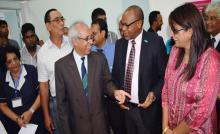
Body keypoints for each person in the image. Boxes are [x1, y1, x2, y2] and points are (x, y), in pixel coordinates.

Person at [55, 21, 130, 134]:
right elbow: (62, 106)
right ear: (75, 41)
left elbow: (107, 83)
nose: (91, 41)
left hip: (100, 125)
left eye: (91, 37)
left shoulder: (99, 59)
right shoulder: (61, 66)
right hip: (78, 127)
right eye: (87, 38)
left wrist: (115, 92)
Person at [162, 3, 220, 134]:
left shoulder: (211, 59)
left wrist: (175, 133)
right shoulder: (175, 52)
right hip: (170, 127)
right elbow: (166, 90)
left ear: (191, 30)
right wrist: (165, 128)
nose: (172, 34)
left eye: (175, 30)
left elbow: (202, 109)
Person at [111, 5, 167, 134]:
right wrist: (117, 96)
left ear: (139, 24)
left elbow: (164, 76)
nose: (123, 28)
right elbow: (115, 77)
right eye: (122, 24)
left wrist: (153, 94)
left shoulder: (155, 42)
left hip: (148, 112)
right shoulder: (120, 44)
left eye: (127, 25)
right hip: (126, 110)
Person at [37, 8, 72, 134]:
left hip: (77, 98)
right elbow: (43, 86)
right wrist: (46, 116)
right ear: (48, 26)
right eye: (57, 20)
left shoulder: (73, 43)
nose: (62, 23)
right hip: (57, 104)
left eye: (62, 19)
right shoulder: (42, 53)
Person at [0, 45, 46, 134]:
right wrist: (17, 119)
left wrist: (30, 111)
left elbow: (42, 93)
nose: (14, 63)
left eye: (15, 59)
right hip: (15, 125)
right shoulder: (2, 80)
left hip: (36, 120)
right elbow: (2, 105)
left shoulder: (31, 71)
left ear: (19, 58)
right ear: (5, 64)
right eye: (9, 62)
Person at [204, 2, 220, 133]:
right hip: (205, 107)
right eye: (207, 18)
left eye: (212, 18)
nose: (208, 22)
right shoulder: (203, 43)